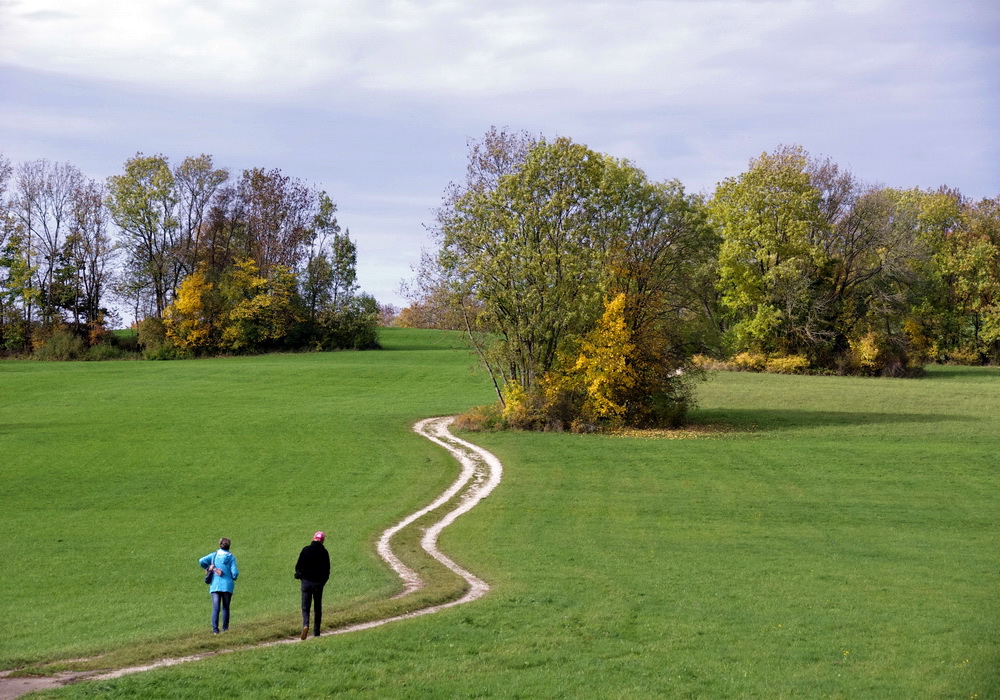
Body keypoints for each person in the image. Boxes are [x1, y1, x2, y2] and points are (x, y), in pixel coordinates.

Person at [199, 537, 239, 634]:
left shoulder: (214, 555)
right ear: (229, 546)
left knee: (216, 607)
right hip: (227, 586)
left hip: (215, 585)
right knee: (226, 607)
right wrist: (232, 577)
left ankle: (215, 630)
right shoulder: (231, 558)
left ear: (220, 545)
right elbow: (235, 573)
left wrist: (209, 568)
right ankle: (225, 628)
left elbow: (201, 561)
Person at [295, 530, 330, 639]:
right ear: (322, 541)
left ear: (313, 538)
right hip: (318, 585)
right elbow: (327, 570)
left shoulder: (306, 550)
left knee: (305, 607)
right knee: (317, 608)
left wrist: (300, 576)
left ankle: (306, 625)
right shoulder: (324, 552)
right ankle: (317, 632)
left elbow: (298, 566)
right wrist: (322, 582)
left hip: (306, 583)